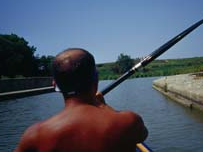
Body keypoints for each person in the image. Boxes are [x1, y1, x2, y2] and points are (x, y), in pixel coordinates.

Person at [15, 48, 148, 152]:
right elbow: (142, 136)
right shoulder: (129, 121)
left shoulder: (34, 136)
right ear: (96, 80)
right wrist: (104, 106)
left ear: (55, 85)